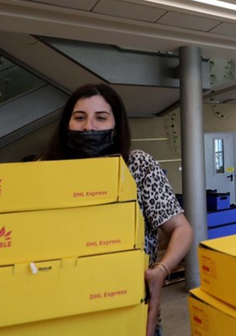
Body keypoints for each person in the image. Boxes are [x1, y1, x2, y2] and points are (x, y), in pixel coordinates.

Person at [42, 83, 193, 336]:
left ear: (115, 127)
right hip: (63, 311)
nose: (89, 126)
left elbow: (181, 228)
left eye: (101, 118)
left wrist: (162, 271)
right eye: (80, 117)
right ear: (67, 124)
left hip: (128, 309)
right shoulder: (47, 170)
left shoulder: (137, 166)